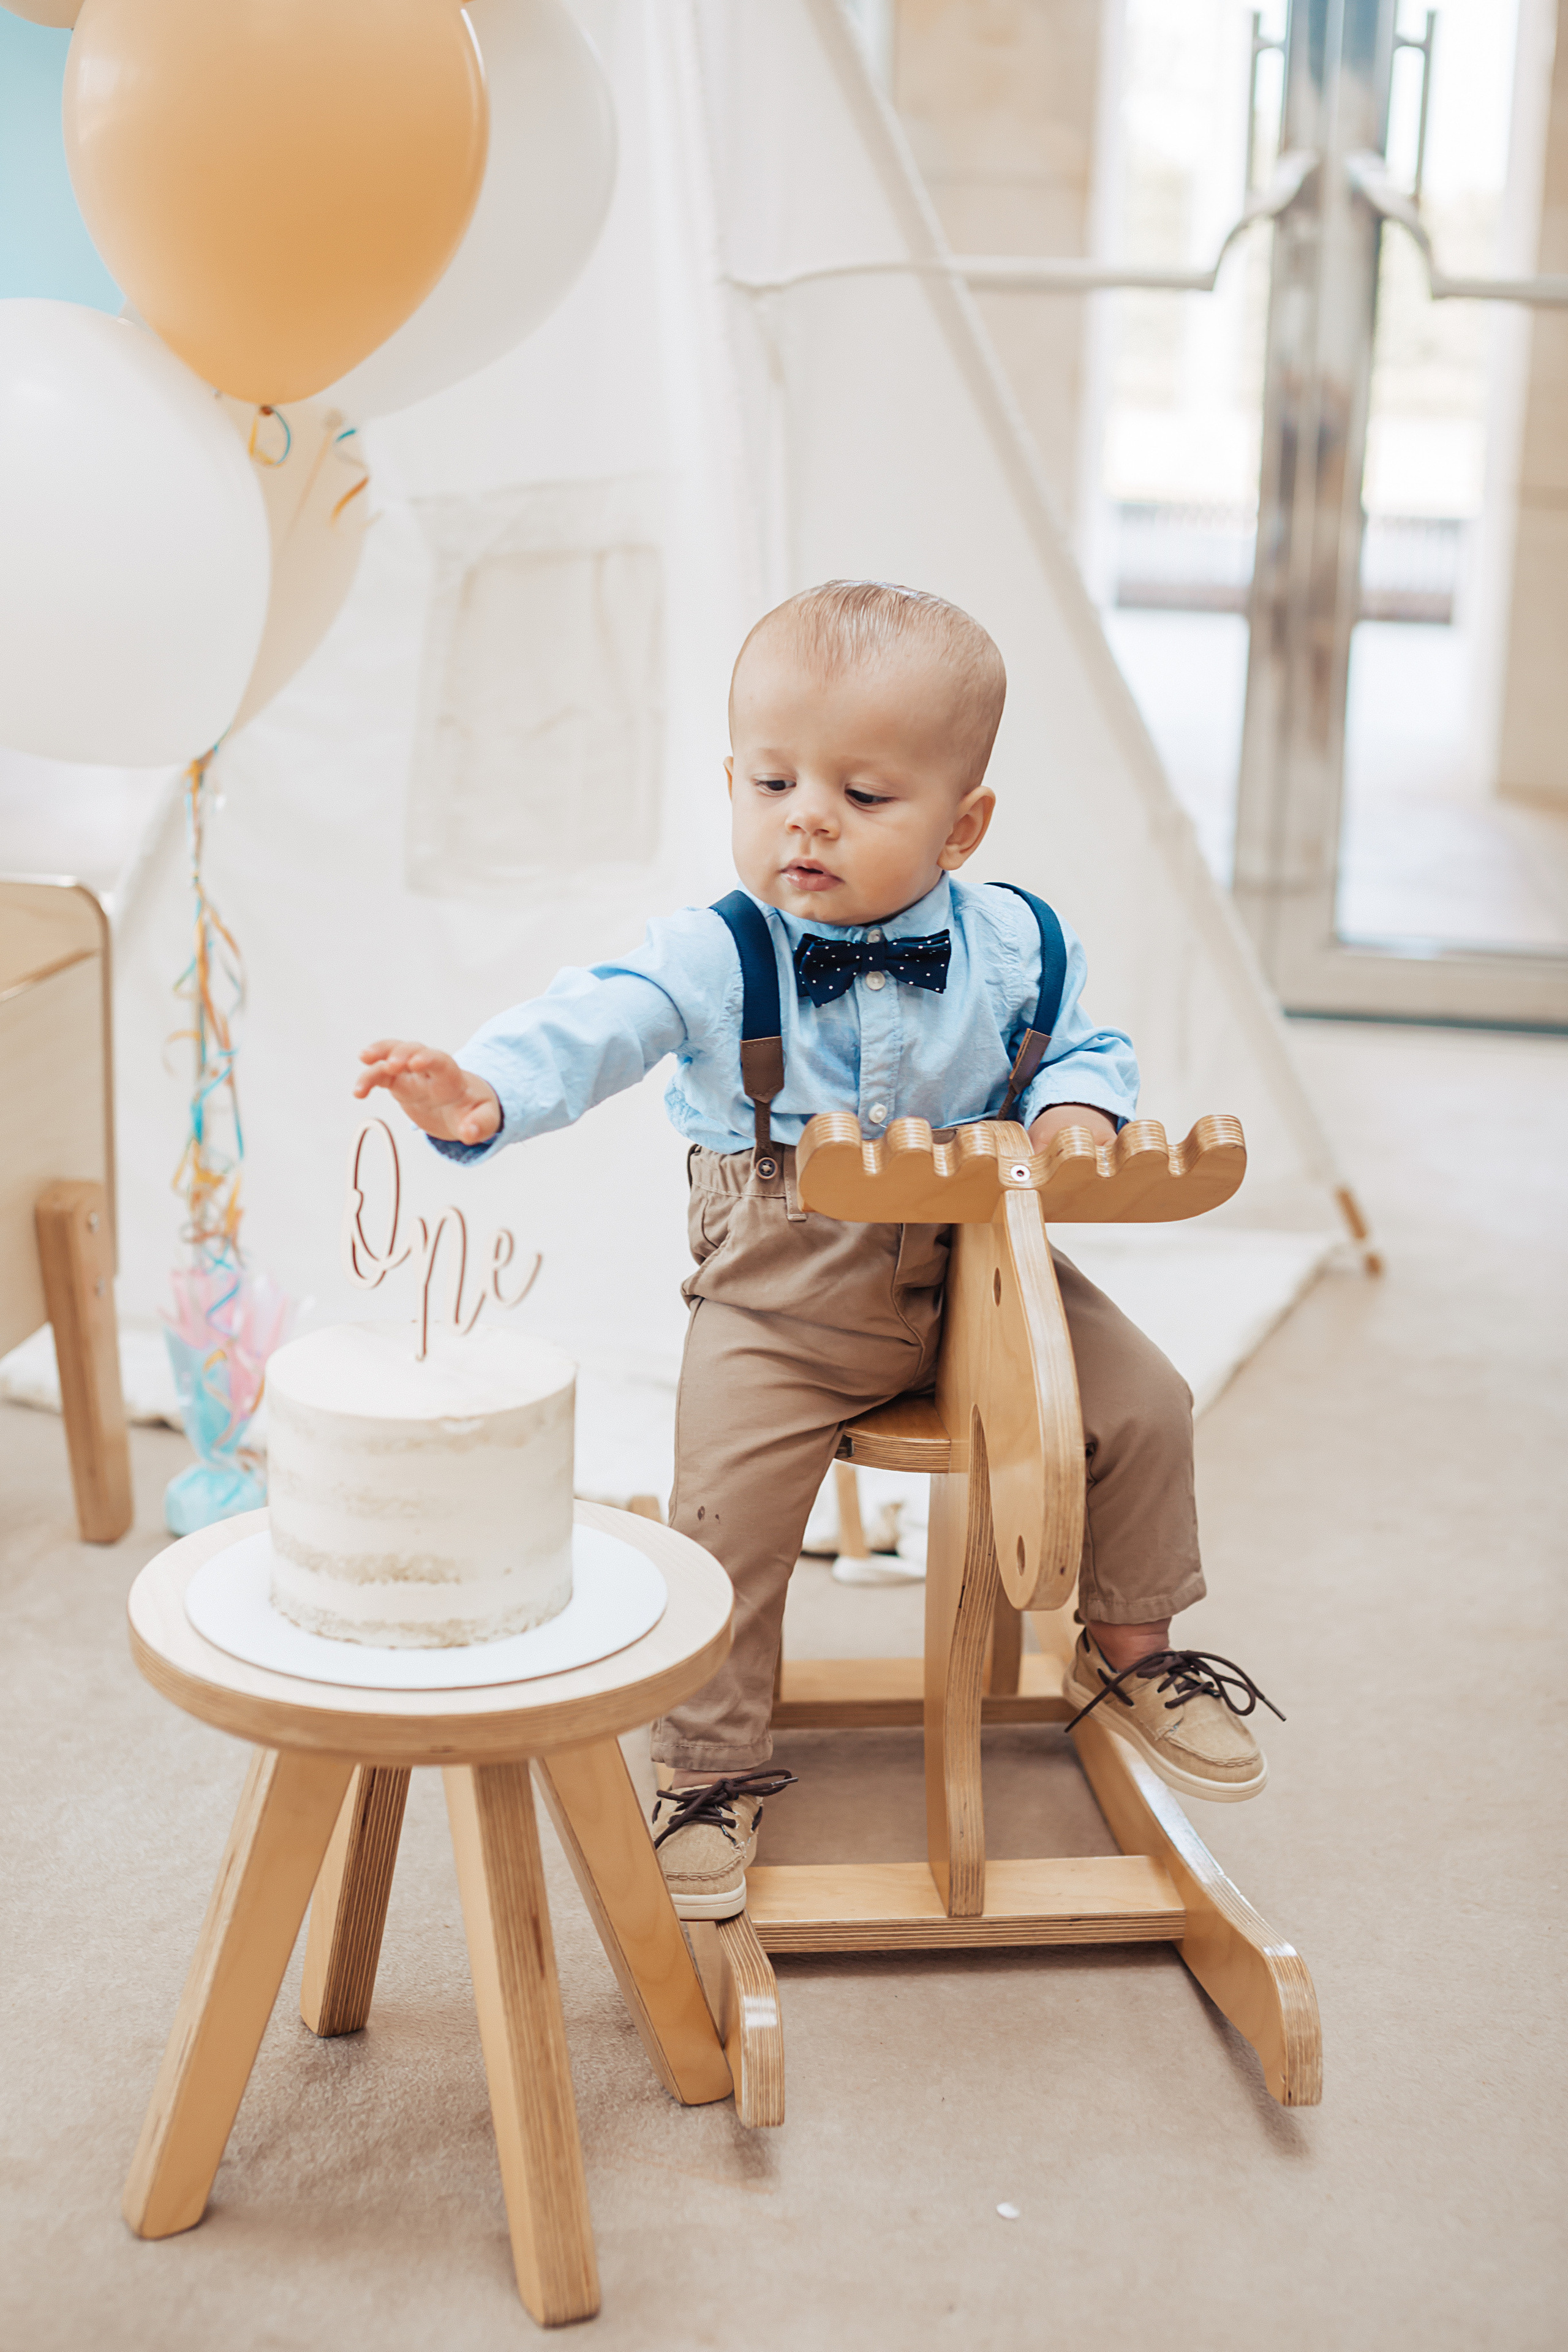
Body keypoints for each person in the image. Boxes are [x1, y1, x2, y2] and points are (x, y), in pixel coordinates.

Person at [355, 579, 1280, 1921]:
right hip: (778, 1299)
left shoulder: (1016, 943)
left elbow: (1085, 1038)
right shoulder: (718, 951)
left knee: (1143, 1405)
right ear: (729, 780)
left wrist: (1075, 1107)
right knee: (726, 1514)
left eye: (862, 795)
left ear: (960, 826)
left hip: (983, 1273)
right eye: (775, 780)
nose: (806, 817)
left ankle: (1130, 1650)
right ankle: (709, 1772)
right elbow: (600, 1016)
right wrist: (487, 1089)